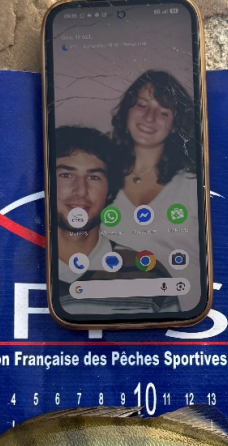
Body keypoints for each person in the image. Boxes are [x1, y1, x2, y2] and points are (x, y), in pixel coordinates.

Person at [54, 126, 179, 316]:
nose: (81, 190)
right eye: (66, 175)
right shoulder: (23, 266)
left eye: (94, 177)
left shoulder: (148, 273)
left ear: (109, 190)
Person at [110, 72, 201, 311]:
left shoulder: (194, 182)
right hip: (118, 310)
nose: (149, 118)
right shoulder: (98, 178)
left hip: (187, 312)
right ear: (126, 111)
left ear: (175, 125)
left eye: (163, 113)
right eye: (141, 105)